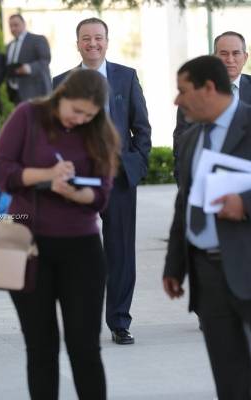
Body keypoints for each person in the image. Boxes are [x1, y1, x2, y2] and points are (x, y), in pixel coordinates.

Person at [0, 69, 120, 399]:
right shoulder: (28, 115)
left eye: (89, 115)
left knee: (85, 347)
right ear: (62, 96)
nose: (81, 119)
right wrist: (46, 175)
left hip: (81, 248)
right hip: (25, 244)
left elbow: (101, 196)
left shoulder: (99, 132)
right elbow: (0, 171)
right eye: (76, 111)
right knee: (40, 347)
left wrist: (74, 192)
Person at [53, 17, 152, 345]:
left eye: (98, 37)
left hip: (118, 178)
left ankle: (119, 321)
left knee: (120, 251)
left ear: (107, 42)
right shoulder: (60, 82)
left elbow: (142, 127)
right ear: (77, 43)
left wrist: (135, 165)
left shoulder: (126, 77)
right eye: (86, 38)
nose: (92, 43)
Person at [163, 55, 251, 399]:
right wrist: (175, 265)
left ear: (209, 88)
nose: (177, 100)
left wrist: (245, 204)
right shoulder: (190, 139)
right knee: (228, 377)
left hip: (246, 267)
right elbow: (183, 204)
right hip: (207, 275)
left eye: (183, 90)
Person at [173, 31, 251, 181]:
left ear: (245, 57)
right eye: (224, 54)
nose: (230, 60)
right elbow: (180, 149)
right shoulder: (191, 99)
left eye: (236, 53)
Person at [5, 14, 52, 105]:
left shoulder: (38, 39)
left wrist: (28, 68)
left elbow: (45, 60)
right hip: (15, 93)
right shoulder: (9, 45)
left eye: (16, 25)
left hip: (35, 92)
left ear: (24, 24)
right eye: (11, 26)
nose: (13, 28)